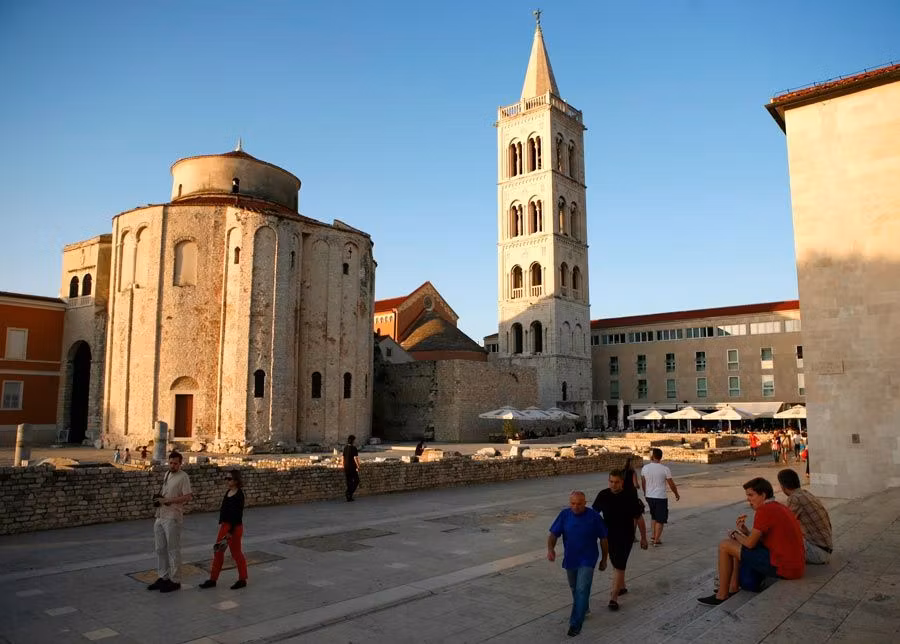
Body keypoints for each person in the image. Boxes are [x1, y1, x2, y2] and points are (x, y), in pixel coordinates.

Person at [697, 477, 804, 605]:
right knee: (735, 545)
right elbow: (761, 538)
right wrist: (745, 531)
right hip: (795, 566)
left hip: (784, 567)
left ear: (763, 495)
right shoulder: (778, 506)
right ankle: (733, 587)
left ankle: (722, 595)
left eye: (751, 495)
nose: (748, 499)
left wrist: (735, 533)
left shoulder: (764, 510)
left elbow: (749, 544)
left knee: (725, 545)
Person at [548, 491, 609, 637]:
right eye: (573, 503)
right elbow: (553, 534)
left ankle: (575, 624)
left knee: (582, 589)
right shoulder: (564, 515)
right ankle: (584, 608)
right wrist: (550, 549)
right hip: (571, 558)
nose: (575, 507)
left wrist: (604, 559)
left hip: (588, 558)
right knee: (575, 588)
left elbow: (604, 539)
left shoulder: (594, 517)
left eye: (579, 504)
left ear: (585, 503)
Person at [592, 470, 648, 611]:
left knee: (619, 564)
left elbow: (639, 518)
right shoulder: (603, 495)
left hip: (625, 536)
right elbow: (593, 515)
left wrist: (644, 538)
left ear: (622, 482)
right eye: (611, 481)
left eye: (616, 482)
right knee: (616, 562)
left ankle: (614, 597)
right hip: (608, 536)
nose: (613, 485)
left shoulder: (630, 496)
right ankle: (621, 586)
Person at [147, 451, 193, 593]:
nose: (172, 465)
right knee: (160, 549)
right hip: (160, 515)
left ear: (180, 463)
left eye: (175, 463)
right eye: (171, 462)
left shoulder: (183, 477)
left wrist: (168, 500)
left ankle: (175, 580)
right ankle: (163, 576)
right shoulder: (167, 474)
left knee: (173, 549)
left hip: (173, 517)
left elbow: (188, 497)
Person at [199, 469, 249, 589]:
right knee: (218, 552)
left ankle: (242, 579)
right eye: (226, 478)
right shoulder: (228, 492)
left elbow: (237, 515)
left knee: (236, 553)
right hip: (225, 526)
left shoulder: (239, 495)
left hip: (234, 528)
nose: (227, 480)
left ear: (236, 480)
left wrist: (230, 532)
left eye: (229, 478)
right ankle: (213, 579)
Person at [777, 468, 832, 564]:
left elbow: (785, 525)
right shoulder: (804, 493)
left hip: (817, 553)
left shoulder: (794, 498)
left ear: (783, 486)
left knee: (777, 539)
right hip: (825, 549)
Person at [641, 448, 680, 546]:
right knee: (661, 519)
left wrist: (645, 493)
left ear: (652, 456)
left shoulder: (645, 468)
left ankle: (653, 536)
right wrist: (676, 493)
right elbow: (671, 484)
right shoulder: (665, 469)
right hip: (660, 497)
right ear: (660, 457)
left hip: (649, 496)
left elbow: (643, 482)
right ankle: (656, 540)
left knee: (653, 517)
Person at [343, 435, 360, 502]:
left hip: (346, 467)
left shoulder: (345, 447)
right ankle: (349, 493)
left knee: (349, 481)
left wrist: (343, 465)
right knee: (356, 481)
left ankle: (349, 496)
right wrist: (358, 466)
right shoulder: (354, 448)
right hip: (352, 467)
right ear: (353, 441)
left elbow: (343, 458)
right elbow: (355, 458)